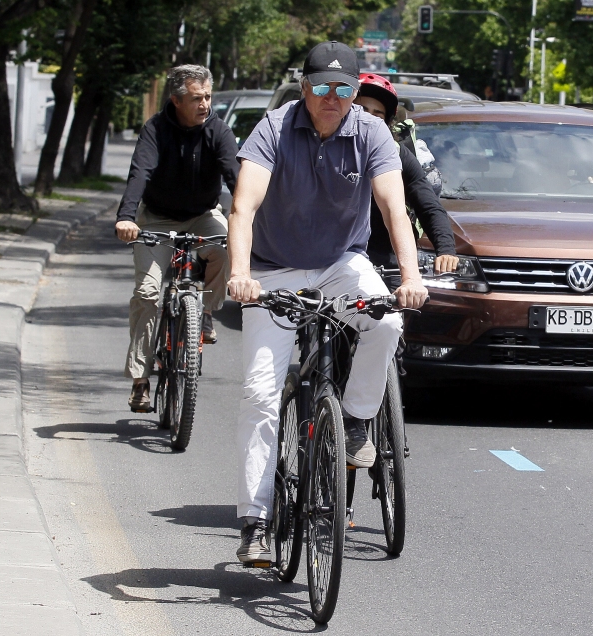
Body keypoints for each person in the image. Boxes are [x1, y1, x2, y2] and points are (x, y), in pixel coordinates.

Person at [227, 41, 428, 564]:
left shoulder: (372, 132)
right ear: (304, 88)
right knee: (259, 394)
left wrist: (410, 275)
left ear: (356, 92)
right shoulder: (273, 128)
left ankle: (358, 418)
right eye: (322, 88)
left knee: (386, 321)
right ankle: (256, 519)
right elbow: (243, 208)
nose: (332, 98)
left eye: (344, 89)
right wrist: (242, 274)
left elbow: (393, 207)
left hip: (342, 265)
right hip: (272, 272)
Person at [115, 65, 239, 412]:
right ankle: (140, 380)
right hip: (156, 217)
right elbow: (140, 172)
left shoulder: (217, 130)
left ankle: (206, 312)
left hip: (202, 213)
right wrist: (126, 217)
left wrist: (252, 220)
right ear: (176, 100)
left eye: (207, 97)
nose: (204, 104)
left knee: (226, 246)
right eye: (196, 98)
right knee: (148, 293)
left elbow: (235, 178)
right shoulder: (156, 130)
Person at [353, 73, 458, 274]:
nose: (368, 120)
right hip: (333, 263)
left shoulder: (397, 154)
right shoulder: (326, 148)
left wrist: (446, 250)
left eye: (378, 115)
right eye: (361, 110)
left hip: (385, 263)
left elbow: (429, 207)